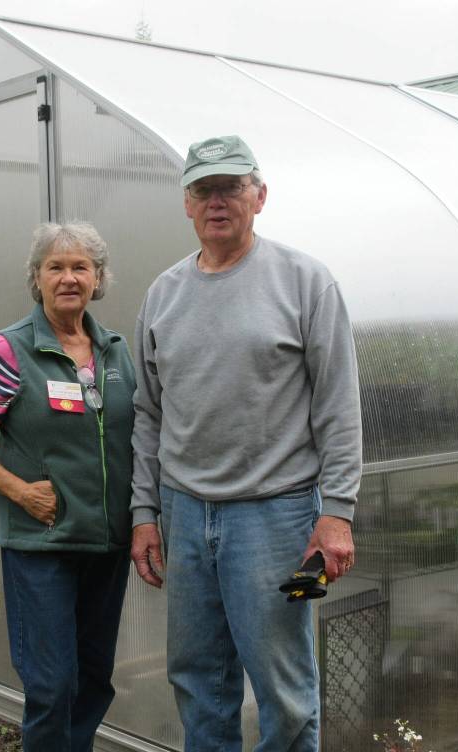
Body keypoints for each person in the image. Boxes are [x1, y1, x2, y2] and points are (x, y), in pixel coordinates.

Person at [129, 135, 363, 751]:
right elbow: (148, 415)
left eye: (231, 187)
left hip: (278, 517)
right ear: (186, 204)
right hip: (183, 515)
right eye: (204, 189)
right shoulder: (162, 295)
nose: (217, 201)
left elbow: (339, 408)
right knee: (198, 680)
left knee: (286, 691)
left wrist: (336, 515)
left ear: (260, 196)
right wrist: (145, 514)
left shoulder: (306, 283)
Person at [0, 222, 136, 752]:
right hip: (42, 545)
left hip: (108, 546)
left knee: (95, 679)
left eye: (81, 267)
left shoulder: (116, 353)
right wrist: (22, 491)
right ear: (37, 278)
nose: (69, 278)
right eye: (56, 267)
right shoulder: (9, 349)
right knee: (52, 685)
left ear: (99, 278)